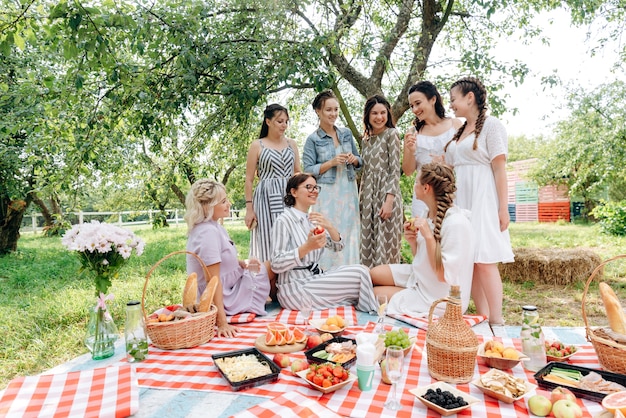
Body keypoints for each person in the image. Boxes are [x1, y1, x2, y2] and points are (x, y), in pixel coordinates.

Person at [443, 76, 514, 326]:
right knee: (469, 259)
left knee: (484, 260)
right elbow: (451, 165)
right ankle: (482, 316)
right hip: (461, 200)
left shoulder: (492, 126)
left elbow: (499, 169)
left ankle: (497, 319)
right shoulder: (459, 131)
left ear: (469, 97)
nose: (450, 104)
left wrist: (503, 208)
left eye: (453, 99)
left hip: (483, 198)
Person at [370, 162, 474, 316]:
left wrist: (428, 237)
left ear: (426, 188)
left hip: (438, 297)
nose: (414, 185)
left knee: (372, 293)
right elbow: (422, 259)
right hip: (420, 278)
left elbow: (442, 275)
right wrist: (413, 242)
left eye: (416, 182)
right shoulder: (427, 214)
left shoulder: (457, 224)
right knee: (371, 274)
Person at [270, 173, 378, 313]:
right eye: (308, 187)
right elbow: (276, 263)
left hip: (314, 279)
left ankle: (364, 305)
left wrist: (329, 226)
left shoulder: (312, 220)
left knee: (362, 270)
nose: (314, 191)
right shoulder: (283, 221)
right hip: (295, 288)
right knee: (360, 274)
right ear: (294, 192)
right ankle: (372, 310)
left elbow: (337, 246)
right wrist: (306, 248)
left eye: (316, 187)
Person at [185, 179, 275, 338]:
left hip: (231, 284)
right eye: (224, 201)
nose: (229, 204)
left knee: (270, 266)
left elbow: (225, 261)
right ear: (208, 206)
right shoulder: (207, 233)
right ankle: (276, 316)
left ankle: (270, 308)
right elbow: (213, 282)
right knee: (274, 267)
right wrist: (222, 323)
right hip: (224, 296)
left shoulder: (215, 226)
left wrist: (244, 263)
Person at [302, 90, 362, 269]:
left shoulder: (346, 134)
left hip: (348, 190)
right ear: (318, 111)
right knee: (327, 231)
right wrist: (331, 163)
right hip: (327, 193)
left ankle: (350, 274)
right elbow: (308, 170)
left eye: (336, 110)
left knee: (350, 233)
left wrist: (354, 159)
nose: (333, 114)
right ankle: (327, 274)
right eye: (329, 110)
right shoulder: (312, 139)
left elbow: (360, 161)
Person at [244, 104, 301, 264]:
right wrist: (249, 209)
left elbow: (297, 172)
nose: (284, 125)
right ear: (268, 121)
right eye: (279, 121)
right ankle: (268, 284)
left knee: (291, 237)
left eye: (286, 121)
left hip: (289, 196)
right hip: (265, 198)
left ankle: (289, 281)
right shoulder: (257, 145)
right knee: (268, 240)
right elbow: (249, 179)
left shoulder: (292, 144)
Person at [402, 81, 463, 217]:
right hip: (423, 195)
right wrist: (410, 151)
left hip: (451, 193)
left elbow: (465, 158)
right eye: (412, 106)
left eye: (418, 103)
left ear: (433, 99)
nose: (414, 110)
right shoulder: (412, 132)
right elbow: (408, 171)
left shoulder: (455, 125)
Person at [359, 95, 403, 268]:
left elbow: (394, 170)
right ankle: (366, 289)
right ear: (368, 116)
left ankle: (386, 291)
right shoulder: (366, 140)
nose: (379, 117)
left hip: (386, 196)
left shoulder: (392, 134)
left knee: (385, 246)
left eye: (383, 113)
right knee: (367, 246)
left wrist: (389, 200)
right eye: (374, 113)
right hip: (368, 196)